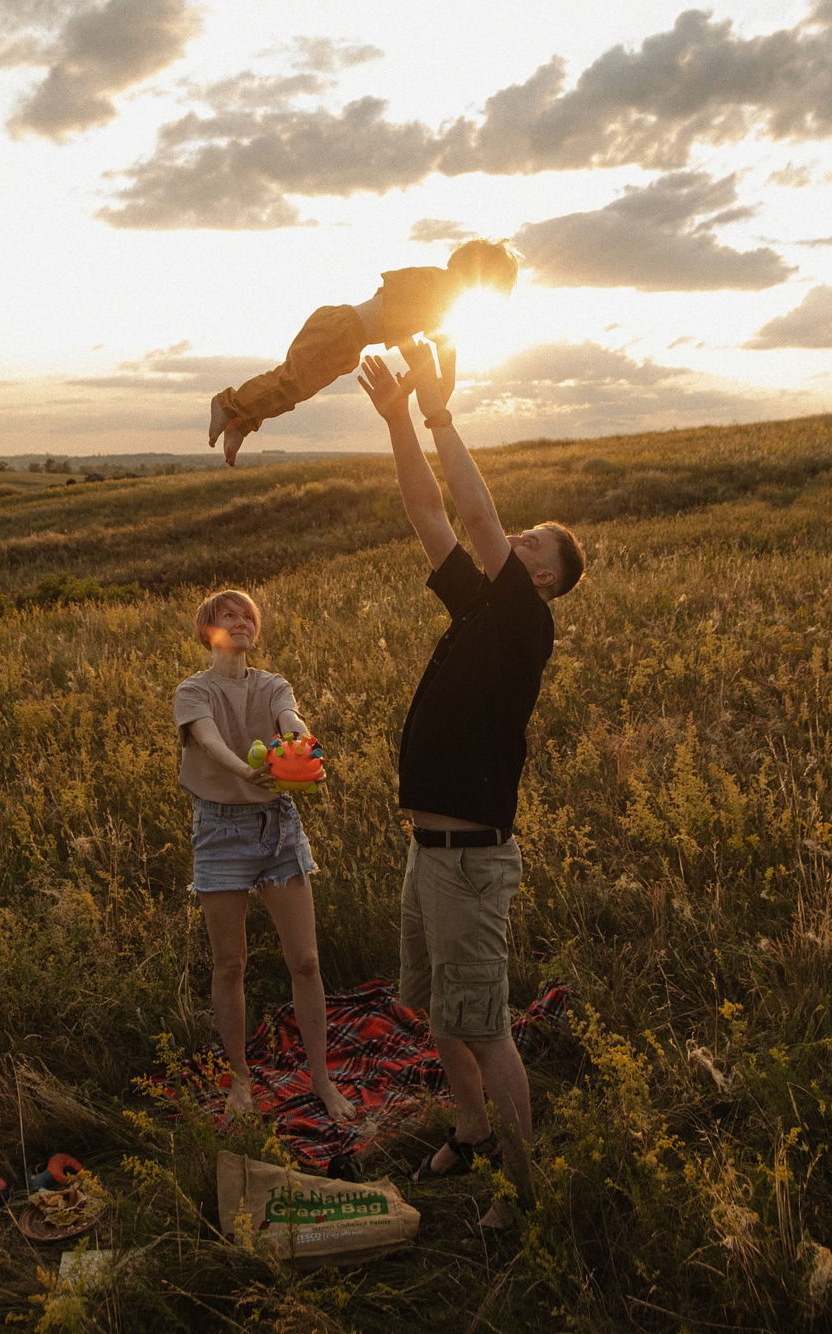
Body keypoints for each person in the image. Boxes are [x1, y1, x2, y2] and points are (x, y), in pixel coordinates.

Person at [357, 338, 584, 1229]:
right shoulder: (480, 607)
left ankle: (526, 1194)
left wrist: (442, 412)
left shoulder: (526, 623)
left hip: (471, 860)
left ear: (543, 580)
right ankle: (475, 1130)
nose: (515, 536)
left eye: (533, 543)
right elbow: (428, 509)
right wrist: (396, 422)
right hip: (429, 851)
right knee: (437, 1013)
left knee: (483, 1024)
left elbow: (479, 515)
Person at [175, 587, 357, 1124]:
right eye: (228, 616)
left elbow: (291, 718)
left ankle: (321, 1079)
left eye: (248, 616)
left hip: (278, 827)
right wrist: (245, 770)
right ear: (208, 630)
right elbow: (206, 740)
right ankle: (240, 1079)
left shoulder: (273, 684)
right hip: (220, 830)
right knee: (231, 965)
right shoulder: (193, 690)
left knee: (306, 960)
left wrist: (304, 748)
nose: (241, 622)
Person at [208, 238, 520, 466]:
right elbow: (438, 341)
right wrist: (443, 381)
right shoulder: (442, 288)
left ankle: (241, 422)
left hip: (344, 336)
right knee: (292, 382)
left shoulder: (436, 291)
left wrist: (424, 375)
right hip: (341, 330)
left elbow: (410, 332)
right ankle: (229, 404)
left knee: (295, 388)